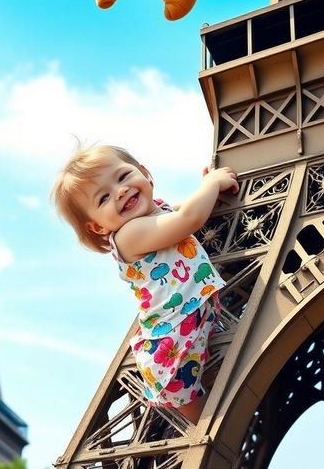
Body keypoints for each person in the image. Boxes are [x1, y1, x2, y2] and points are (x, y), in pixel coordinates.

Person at [52, 144, 239, 423]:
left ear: (145, 173)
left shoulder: (159, 212)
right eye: (103, 198)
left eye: (122, 177)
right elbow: (190, 218)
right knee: (212, 428)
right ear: (99, 228)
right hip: (171, 344)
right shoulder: (129, 234)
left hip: (192, 324)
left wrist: (204, 190)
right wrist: (211, 184)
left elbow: (187, 210)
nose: (120, 191)